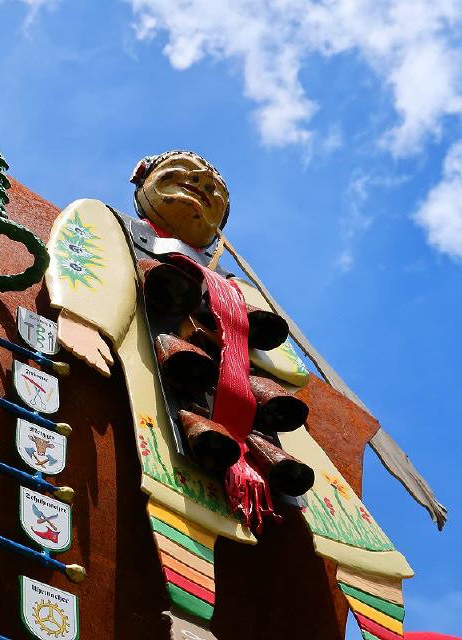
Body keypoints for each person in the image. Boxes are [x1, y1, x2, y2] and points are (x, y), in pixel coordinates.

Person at [45, 150, 412, 639]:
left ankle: (383, 625)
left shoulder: (235, 288)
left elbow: (287, 368)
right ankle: (189, 619)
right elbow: (88, 257)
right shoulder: (109, 221)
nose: (200, 184)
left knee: (345, 517)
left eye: (214, 188)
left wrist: (237, 319)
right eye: (181, 173)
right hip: (159, 375)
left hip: (254, 406)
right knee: (176, 484)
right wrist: (83, 317)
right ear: (142, 184)